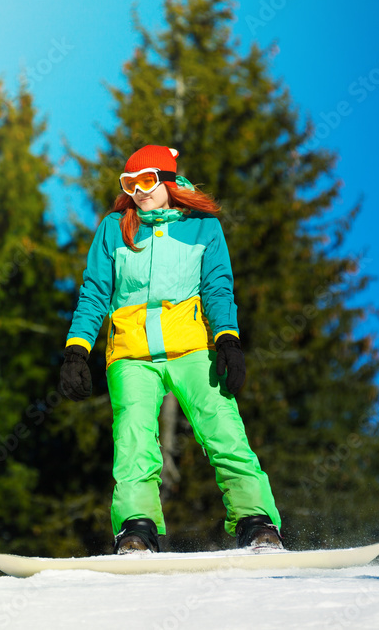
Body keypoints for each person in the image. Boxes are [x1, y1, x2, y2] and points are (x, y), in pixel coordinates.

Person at [59, 145, 283, 554]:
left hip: (192, 349)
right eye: (130, 184)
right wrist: (77, 350)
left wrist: (228, 340)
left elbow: (217, 287)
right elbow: (94, 293)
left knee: (223, 430)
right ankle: (136, 530)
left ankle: (256, 522)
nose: (139, 191)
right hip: (130, 353)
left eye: (147, 181)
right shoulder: (116, 228)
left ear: (167, 180)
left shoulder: (203, 228)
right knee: (133, 440)